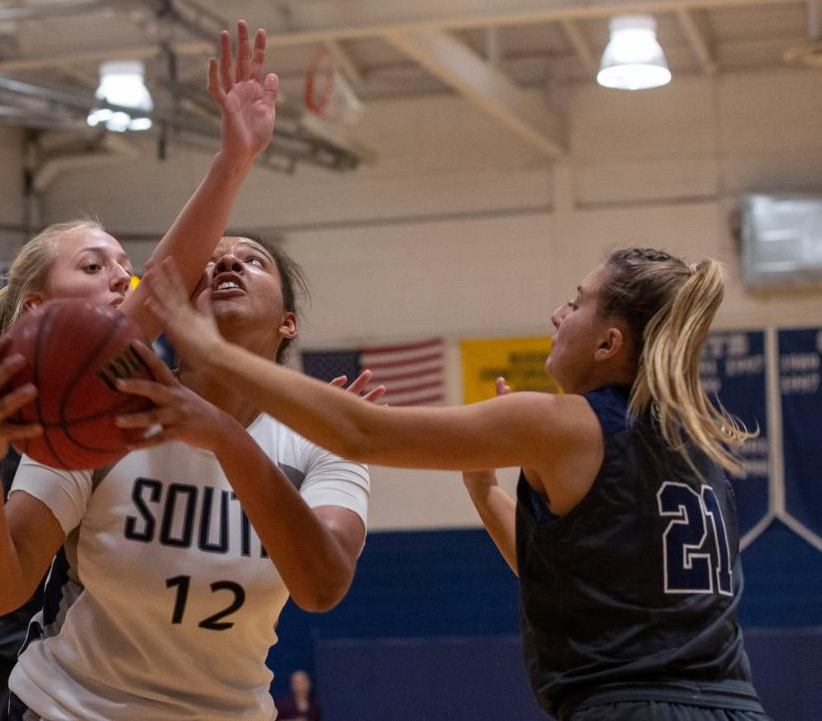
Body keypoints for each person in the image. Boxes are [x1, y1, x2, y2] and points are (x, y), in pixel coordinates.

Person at [140, 247, 769, 720]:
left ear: (609, 342)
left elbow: (362, 434)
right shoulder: (691, 445)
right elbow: (575, 588)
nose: (558, 314)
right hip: (736, 705)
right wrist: (484, 495)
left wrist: (210, 350)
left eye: (576, 303)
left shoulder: (564, 423)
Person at [0, 19, 278, 721]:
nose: (125, 279)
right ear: (40, 307)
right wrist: (229, 164)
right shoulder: (31, 383)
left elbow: (165, 276)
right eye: (94, 266)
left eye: (125, 264)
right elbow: (173, 271)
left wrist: (235, 158)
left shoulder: (84, 374)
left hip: (38, 661)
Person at [0, 233, 379, 720]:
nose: (228, 265)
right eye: (210, 262)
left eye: (252, 260)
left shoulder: (320, 437)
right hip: (73, 709)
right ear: (172, 311)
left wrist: (224, 436)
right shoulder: (99, 412)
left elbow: (321, 586)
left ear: (288, 323)